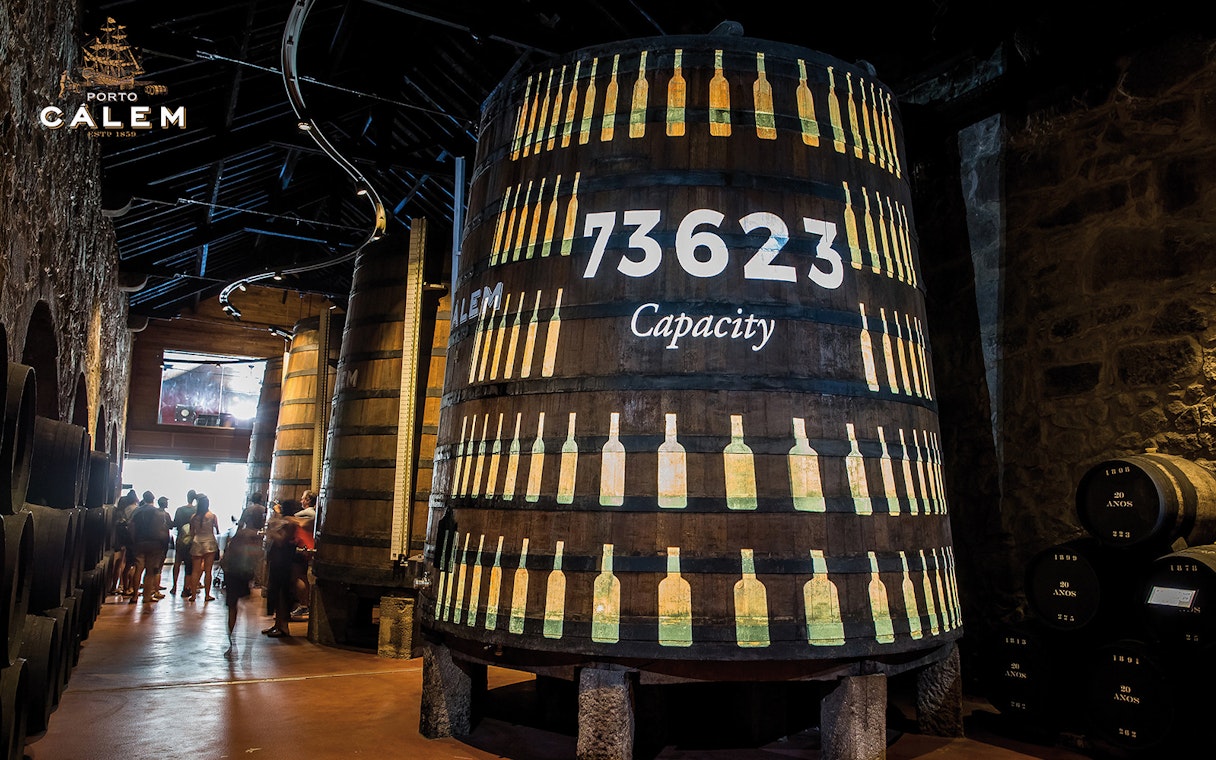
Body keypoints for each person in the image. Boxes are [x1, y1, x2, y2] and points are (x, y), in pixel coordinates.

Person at [221, 507, 265, 655]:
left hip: (233, 573)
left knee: (232, 608)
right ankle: (247, 645)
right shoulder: (257, 536)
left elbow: (229, 553)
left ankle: (231, 641)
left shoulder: (240, 534)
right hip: (245, 574)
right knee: (248, 610)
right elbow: (257, 556)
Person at [262, 499, 301, 637]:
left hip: (283, 561)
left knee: (282, 594)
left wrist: (271, 531)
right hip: (278, 561)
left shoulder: (290, 523)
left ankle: (283, 626)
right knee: (276, 592)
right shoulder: (286, 521)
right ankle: (277, 624)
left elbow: (281, 541)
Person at [127, 492, 172, 604]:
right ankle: (147, 596)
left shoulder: (137, 511)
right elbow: (162, 529)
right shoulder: (157, 512)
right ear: (153, 499)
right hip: (154, 544)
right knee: (150, 571)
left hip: (139, 542)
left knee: (138, 569)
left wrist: (134, 540)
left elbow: (131, 526)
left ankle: (135, 595)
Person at [184, 494, 220, 601]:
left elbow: (191, 532)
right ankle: (207, 595)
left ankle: (193, 595)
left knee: (195, 571)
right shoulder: (212, 516)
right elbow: (217, 531)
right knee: (208, 571)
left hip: (197, 542)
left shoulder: (194, 517)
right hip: (209, 542)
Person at [109, 491, 139, 597]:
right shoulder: (134, 510)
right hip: (127, 540)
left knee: (118, 564)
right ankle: (126, 586)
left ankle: (115, 586)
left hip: (116, 540)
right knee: (128, 564)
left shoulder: (117, 512)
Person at [169, 490, 196, 595]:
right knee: (189, 565)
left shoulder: (179, 510)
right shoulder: (196, 510)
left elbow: (175, 524)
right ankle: (186, 588)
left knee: (177, 563)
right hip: (191, 540)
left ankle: (174, 586)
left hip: (180, 538)